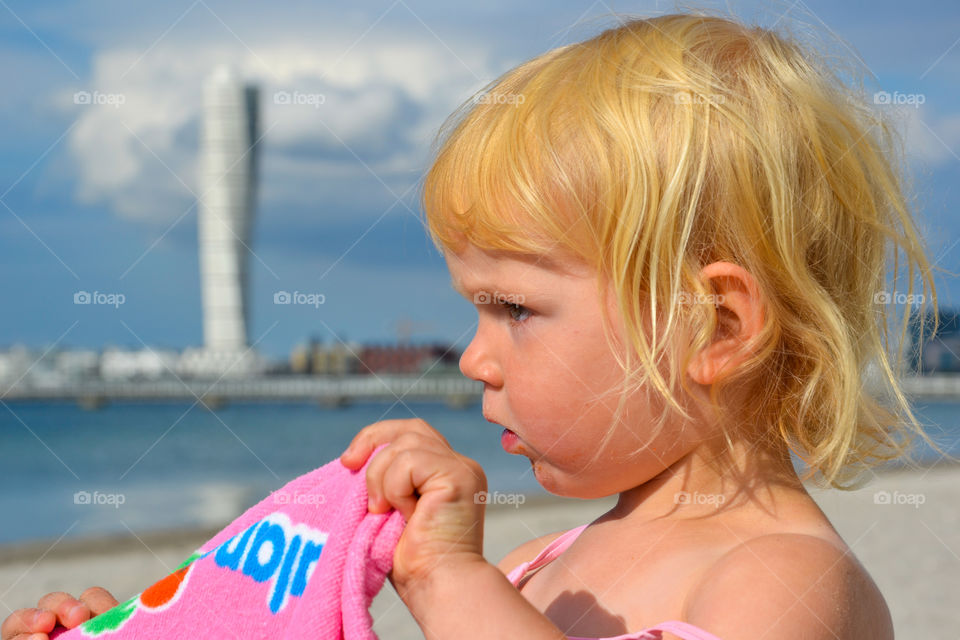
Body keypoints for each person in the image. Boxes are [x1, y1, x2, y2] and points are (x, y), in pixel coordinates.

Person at [4, 11, 945, 640]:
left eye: (514, 309)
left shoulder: (783, 584)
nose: (473, 357)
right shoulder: (558, 561)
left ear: (714, 326)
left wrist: (450, 583)